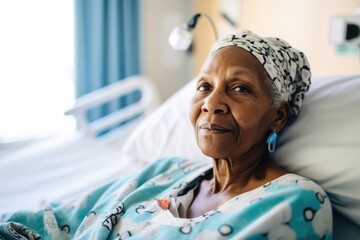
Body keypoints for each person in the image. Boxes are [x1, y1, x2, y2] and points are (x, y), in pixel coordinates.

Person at [0, 30, 332, 239]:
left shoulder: (295, 201)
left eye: (240, 88)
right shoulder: (164, 173)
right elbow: (58, 221)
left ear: (277, 116)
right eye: (204, 86)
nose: (211, 103)